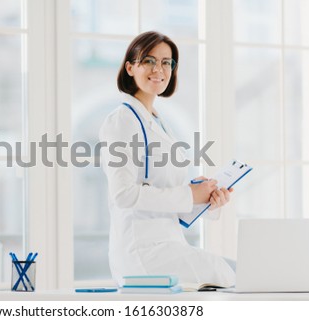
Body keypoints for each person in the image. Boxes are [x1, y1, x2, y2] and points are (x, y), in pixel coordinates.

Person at [99, 31, 236, 287]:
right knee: (233, 275)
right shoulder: (122, 121)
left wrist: (204, 200)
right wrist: (189, 195)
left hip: (166, 244)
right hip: (141, 251)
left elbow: (165, 197)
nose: (158, 69)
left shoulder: (157, 121)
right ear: (130, 67)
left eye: (166, 62)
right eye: (149, 61)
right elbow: (123, 194)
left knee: (237, 274)